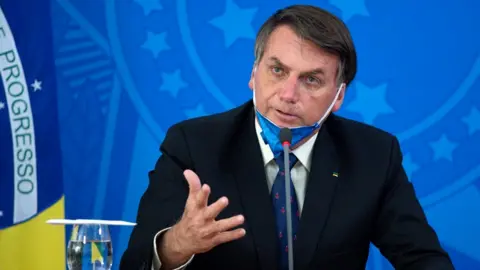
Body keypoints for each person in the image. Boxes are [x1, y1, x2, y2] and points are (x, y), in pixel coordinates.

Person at [120, 4, 454, 270]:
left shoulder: (374, 155)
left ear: (338, 96)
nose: (288, 94)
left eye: (311, 80)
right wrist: (178, 243)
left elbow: (424, 259)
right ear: (254, 73)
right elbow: (135, 260)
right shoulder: (193, 144)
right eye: (277, 71)